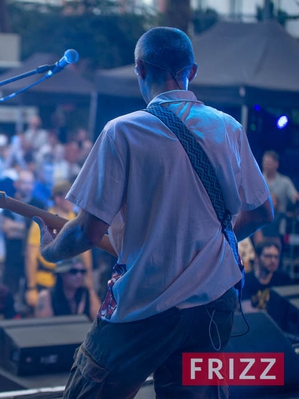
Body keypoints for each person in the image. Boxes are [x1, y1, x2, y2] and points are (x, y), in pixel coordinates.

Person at [33, 27, 273, 399]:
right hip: (214, 304)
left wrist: (49, 251)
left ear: (140, 68)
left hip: (143, 303)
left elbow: (87, 233)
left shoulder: (122, 132)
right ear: (191, 71)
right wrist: (208, 248)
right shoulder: (229, 128)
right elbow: (260, 213)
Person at [26, 181, 93, 308]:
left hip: (72, 283)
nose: (74, 201)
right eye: (70, 197)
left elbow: (86, 252)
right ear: (58, 198)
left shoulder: (77, 218)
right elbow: (31, 257)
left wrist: (88, 278)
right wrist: (31, 287)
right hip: (45, 281)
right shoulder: (43, 220)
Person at [35, 256, 100, 320]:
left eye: (82, 271)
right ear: (62, 274)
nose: (79, 275)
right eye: (73, 271)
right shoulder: (47, 296)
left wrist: (90, 289)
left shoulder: (88, 294)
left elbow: (100, 321)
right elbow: (44, 326)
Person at [241, 239, 292, 313]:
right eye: (268, 256)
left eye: (276, 257)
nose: (273, 260)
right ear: (257, 258)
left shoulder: (284, 279)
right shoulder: (246, 280)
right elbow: (247, 311)